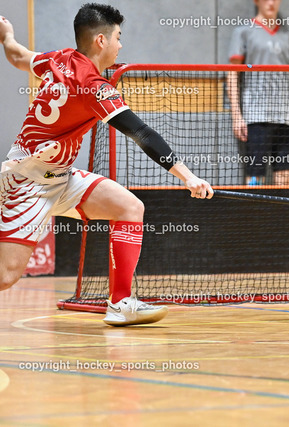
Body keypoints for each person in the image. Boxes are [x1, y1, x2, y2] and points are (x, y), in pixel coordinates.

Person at [0, 4, 213, 326]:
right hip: (26, 182)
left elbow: (17, 56)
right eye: (118, 37)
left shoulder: (57, 59)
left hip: (60, 176)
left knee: (128, 207)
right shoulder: (95, 88)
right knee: (6, 276)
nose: (120, 45)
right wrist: (188, 177)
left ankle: (121, 303)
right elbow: (141, 133)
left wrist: (7, 37)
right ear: (101, 40)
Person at [227, 0, 289, 186]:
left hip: (286, 119)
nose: (271, 3)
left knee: (286, 179)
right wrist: (237, 116)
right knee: (255, 177)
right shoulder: (244, 32)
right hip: (256, 117)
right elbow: (232, 75)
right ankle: (253, 216)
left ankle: (282, 216)